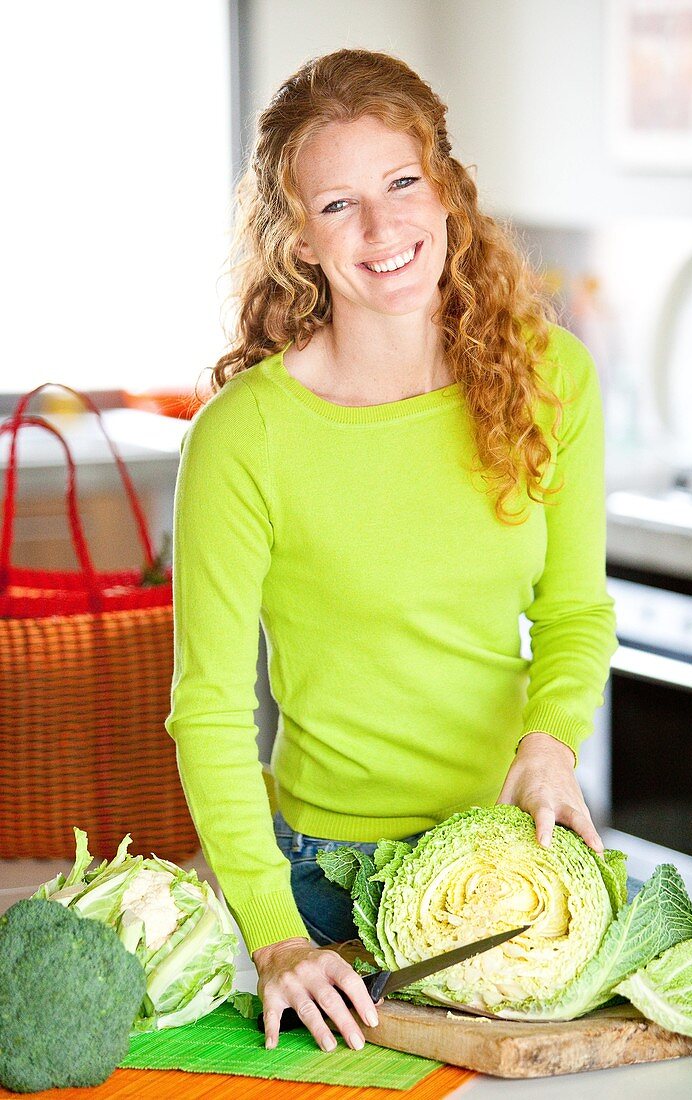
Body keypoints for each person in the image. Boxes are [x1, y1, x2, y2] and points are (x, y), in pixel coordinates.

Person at [166, 48, 617, 1055]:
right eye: (336, 204)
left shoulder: (550, 378)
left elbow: (575, 611)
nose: (381, 228)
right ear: (297, 241)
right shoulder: (246, 436)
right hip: (332, 877)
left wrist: (549, 742)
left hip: (517, 858)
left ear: (446, 190)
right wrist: (275, 933)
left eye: (402, 182)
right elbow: (207, 709)